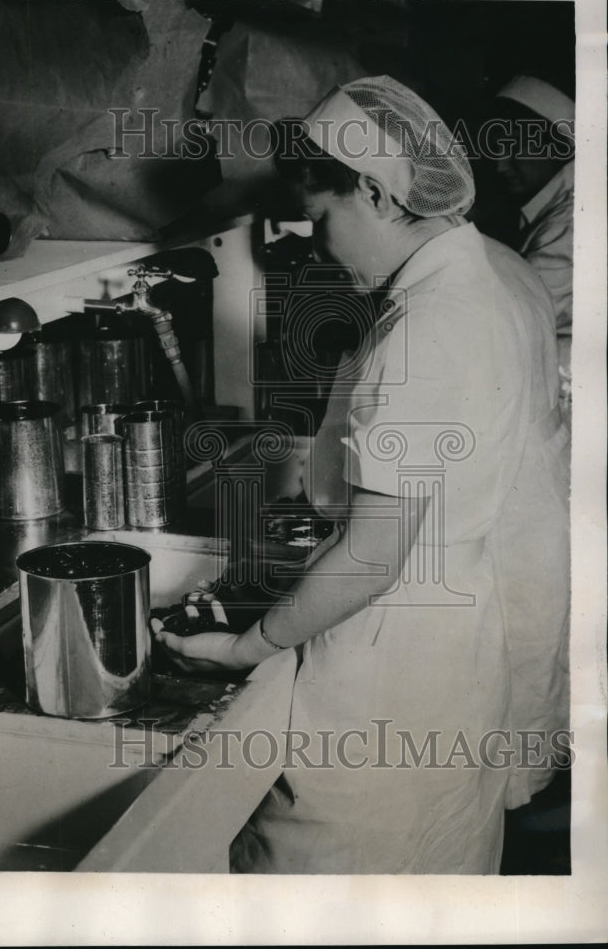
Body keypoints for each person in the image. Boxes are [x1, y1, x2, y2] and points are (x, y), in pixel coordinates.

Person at [152, 76, 570, 874]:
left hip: (389, 657)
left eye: (323, 218)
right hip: (457, 644)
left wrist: (248, 646)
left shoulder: (427, 328)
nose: (318, 242)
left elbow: (372, 555)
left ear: (376, 192)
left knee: (328, 885)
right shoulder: (496, 272)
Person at [492, 75, 575, 418]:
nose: (500, 165)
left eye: (514, 148)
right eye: (497, 148)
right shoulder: (557, 203)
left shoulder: (571, 223)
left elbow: (515, 321)